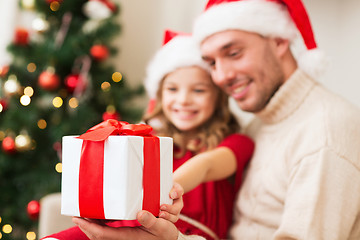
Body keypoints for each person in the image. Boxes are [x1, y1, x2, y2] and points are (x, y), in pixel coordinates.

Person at [72, 0, 360, 239]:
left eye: (233, 53)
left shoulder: (325, 133)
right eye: (211, 63)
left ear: (280, 40)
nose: (221, 77)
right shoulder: (260, 123)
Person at [43, 30, 254, 240]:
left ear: (218, 98)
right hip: (131, 224)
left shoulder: (237, 142)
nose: (183, 100)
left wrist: (167, 189)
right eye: (172, 89)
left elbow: (206, 165)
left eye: (198, 90)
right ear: (160, 95)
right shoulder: (146, 140)